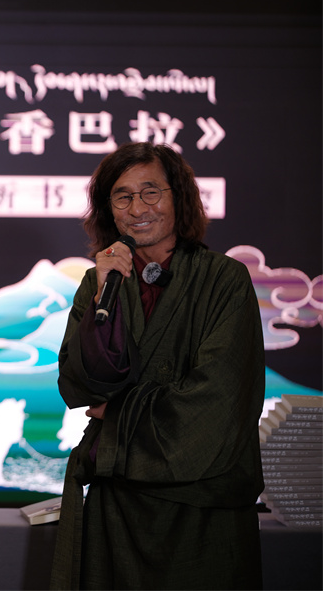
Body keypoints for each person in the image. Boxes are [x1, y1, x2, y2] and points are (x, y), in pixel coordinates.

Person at [50, 142, 265, 590]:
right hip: (117, 505)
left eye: (151, 192)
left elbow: (219, 402)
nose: (137, 208)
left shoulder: (225, 279)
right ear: (109, 210)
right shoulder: (98, 281)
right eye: (122, 196)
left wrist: (117, 414)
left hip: (203, 508)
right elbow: (82, 383)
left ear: (179, 198)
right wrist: (104, 296)